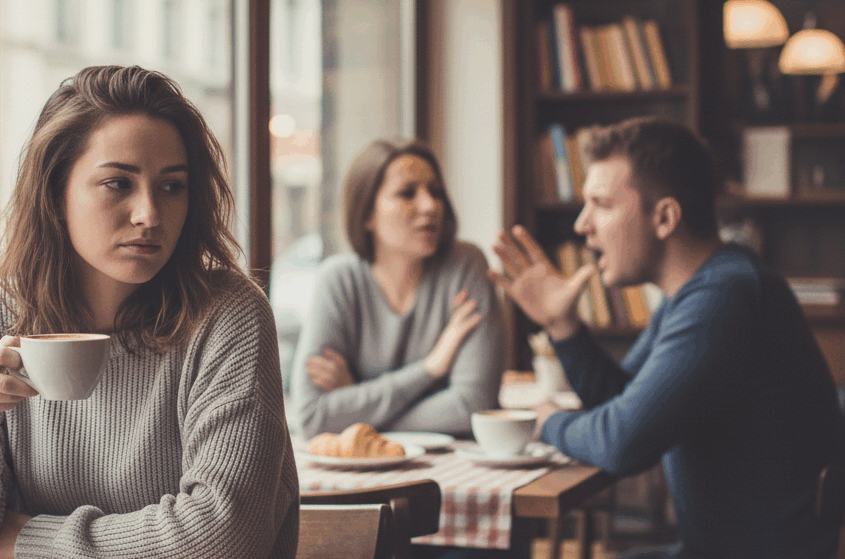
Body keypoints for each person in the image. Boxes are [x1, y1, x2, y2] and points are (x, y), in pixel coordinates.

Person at [0, 66, 298, 559]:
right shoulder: (1, 311)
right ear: (55, 193)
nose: (149, 214)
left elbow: (224, 537)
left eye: (172, 187)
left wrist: (25, 540)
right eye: (117, 183)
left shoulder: (228, 315)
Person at [489, 116, 845, 559]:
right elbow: (623, 402)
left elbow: (622, 442)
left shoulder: (724, 296)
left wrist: (546, 422)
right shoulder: (701, 290)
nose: (583, 225)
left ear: (664, 217)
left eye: (601, 204)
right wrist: (564, 328)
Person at [290, 139, 505, 439]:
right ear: (367, 214)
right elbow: (311, 417)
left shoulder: (465, 266)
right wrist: (430, 368)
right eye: (407, 193)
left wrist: (357, 405)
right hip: (358, 474)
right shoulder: (338, 280)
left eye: (436, 192)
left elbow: (472, 407)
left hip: (453, 470)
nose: (430, 206)